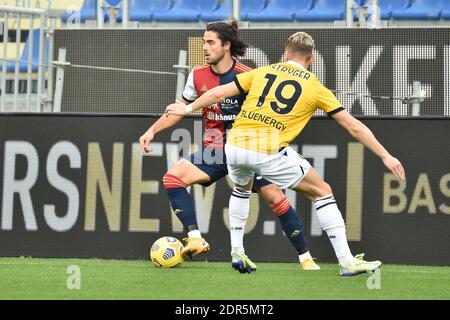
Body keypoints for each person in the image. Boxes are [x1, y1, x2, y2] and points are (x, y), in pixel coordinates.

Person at [164, 31, 406, 276]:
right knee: (322, 192)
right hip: (266, 148)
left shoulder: (261, 72)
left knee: (242, 188)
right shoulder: (315, 87)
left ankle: (237, 251)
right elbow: (353, 126)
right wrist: (386, 155)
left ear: (285, 54)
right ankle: (347, 261)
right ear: (311, 59)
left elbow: (218, 93)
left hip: (234, 144)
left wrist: (187, 108)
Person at [139, 23, 319, 273]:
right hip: (214, 150)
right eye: (203, 42)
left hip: (246, 150)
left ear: (227, 46)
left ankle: (305, 258)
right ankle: (194, 237)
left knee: (275, 197)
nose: (204, 48)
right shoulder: (197, 75)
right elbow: (180, 108)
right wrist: (152, 130)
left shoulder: (248, 74)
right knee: (173, 178)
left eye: (210, 42)